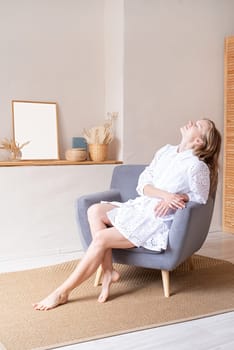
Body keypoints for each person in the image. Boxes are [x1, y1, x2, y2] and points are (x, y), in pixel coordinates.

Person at [33, 119, 221, 311]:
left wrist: (177, 198)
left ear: (199, 142)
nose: (191, 122)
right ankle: (108, 271)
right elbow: (142, 185)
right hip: (141, 207)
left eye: (198, 125)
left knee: (101, 238)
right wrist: (165, 195)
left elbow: (201, 198)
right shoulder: (165, 151)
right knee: (94, 210)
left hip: (154, 219)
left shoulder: (196, 166)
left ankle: (62, 292)